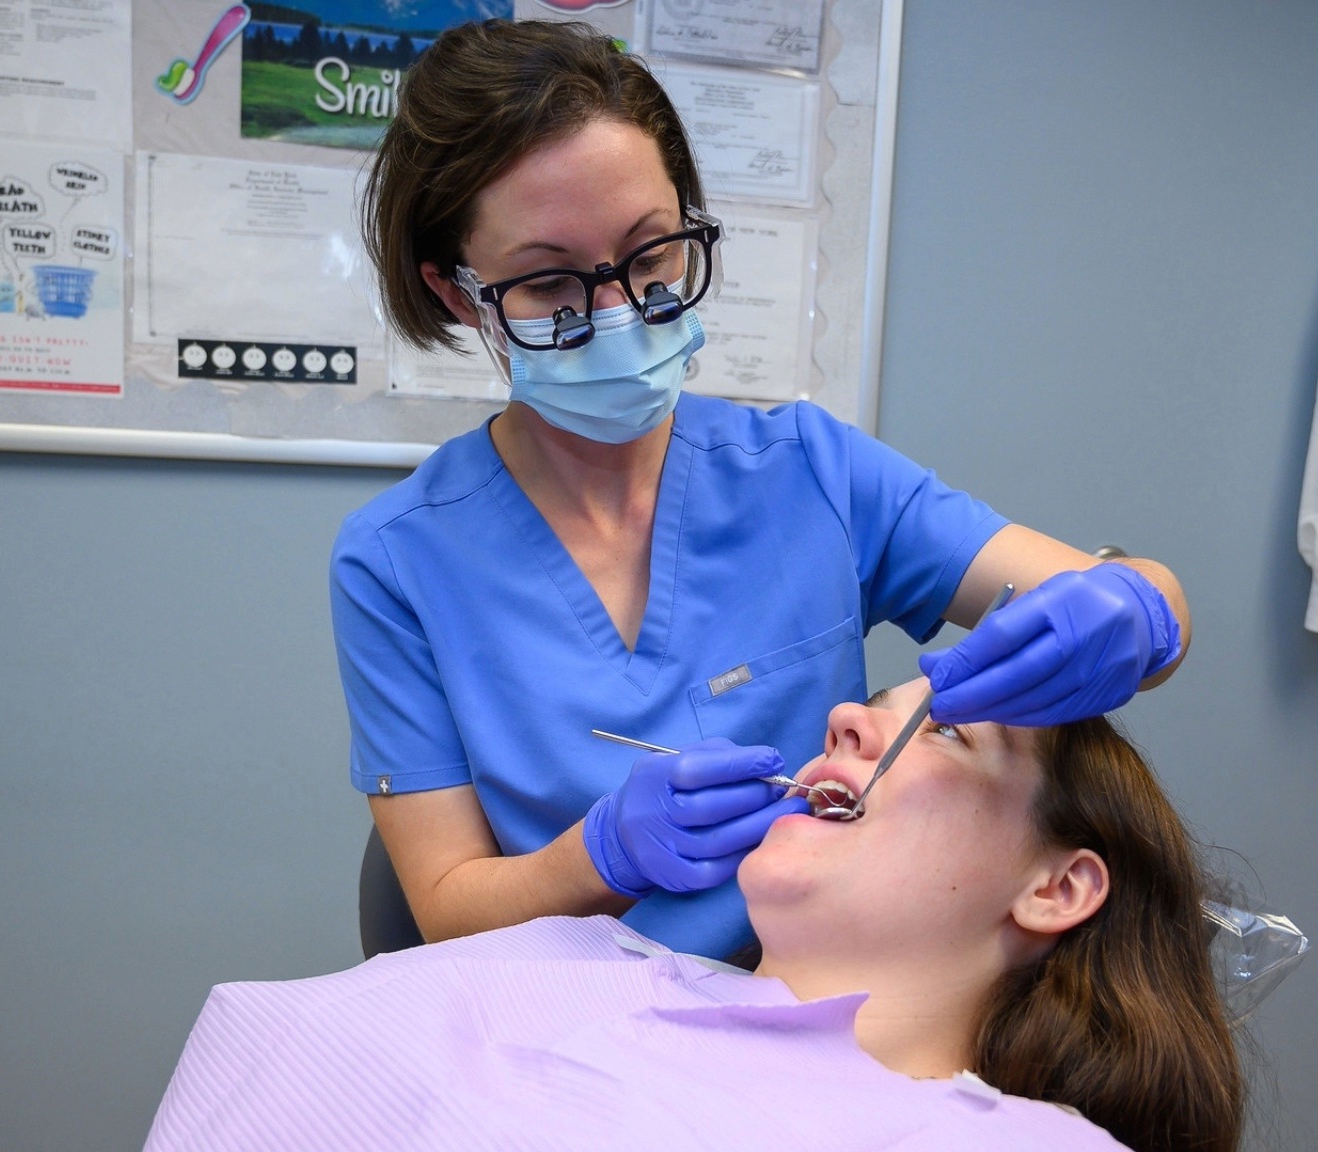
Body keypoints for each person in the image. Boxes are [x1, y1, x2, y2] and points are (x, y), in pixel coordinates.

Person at [336, 19, 1194, 961]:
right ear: (460, 295)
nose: (620, 314)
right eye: (549, 285)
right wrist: (601, 855)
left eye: (651, 256)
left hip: (814, 995)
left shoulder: (811, 472)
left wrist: (1140, 610)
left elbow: (1130, 602)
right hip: (571, 1019)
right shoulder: (398, 561)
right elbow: (446, 911)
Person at [146, 680, 1244, 1152]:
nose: (847, 718)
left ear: (1055, 888)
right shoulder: (571, 961)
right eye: (874, 704)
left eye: (945, 734)